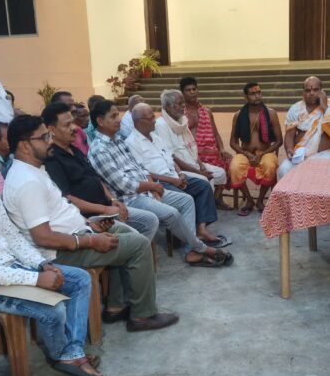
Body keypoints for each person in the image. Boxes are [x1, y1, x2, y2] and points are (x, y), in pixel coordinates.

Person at [0, 139, 104, 376]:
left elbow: (13, 237)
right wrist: (36, 279)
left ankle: (72, 351)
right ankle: (63, 356)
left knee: (80, 279)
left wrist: (41, 265)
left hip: (13, 268)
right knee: (53, 309)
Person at [3, 114, 179, 331]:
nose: (50, 141)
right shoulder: (27, 182)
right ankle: (142, 316)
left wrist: (89, 223)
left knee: (127, 234)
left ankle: (115, 307)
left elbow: (60, 211)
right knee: (139, 245)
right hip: (59, 252)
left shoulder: (35, 169)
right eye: (44, 137)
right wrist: (91, 241)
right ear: (24, 145)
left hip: (77, 233)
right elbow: (43, 237)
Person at [88, 99, 233, 267]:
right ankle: (201, 248)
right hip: (131, 199)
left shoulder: (118, 141)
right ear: (100, 121)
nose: (119, 119)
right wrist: (153, 186)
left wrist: (153, 187)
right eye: (113, 116)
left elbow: (140, 168)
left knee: (186, 200)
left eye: (117, 115)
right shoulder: (99, 150)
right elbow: (124, 185)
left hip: (147, 189)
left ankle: (191, 250)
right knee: (172, 213)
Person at [42, 102, 159, 240]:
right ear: (52, 129)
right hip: (90, 217)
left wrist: (112, 199)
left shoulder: (74, 149)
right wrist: (104, 209)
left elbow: (95, 178)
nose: (74, 128)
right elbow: (67, 198)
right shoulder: (52, 159)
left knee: (149, 220)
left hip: (107, 206)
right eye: (67, 125)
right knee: (140, 234)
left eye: (73, 122)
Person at [127, 103, 229, 247]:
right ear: (139, 122)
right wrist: (173, 180)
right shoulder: (131, 143)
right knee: (186, 198)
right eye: (150, 118)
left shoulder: (155, 137)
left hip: (174, 176)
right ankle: (189, 242)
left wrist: (180, 174)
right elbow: (144, 173)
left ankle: (201, 230)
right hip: (159, 182)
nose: (154, 120)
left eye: (153, 117)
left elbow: (171, 158)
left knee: (204, 186)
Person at [155, 89, 228, 191]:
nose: (183, 106)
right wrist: (199, 173)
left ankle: (211, 197)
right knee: (205, 180)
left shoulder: (182, 121)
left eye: (183, 103)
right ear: (168, 106)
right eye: (180, 103)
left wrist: (201, 165)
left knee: (220, 173)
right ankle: (206, 199)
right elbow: (172, 158)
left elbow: (191, 148)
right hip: (179, 170)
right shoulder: (161, 125)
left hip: (194, 164)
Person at [228, 82, 283, 215]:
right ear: (246, 96)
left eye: (259, 92)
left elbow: (279, 141)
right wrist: (247, 154)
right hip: (245, 153)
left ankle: (259, 201)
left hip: (265, 152)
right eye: (253, 94)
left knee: (270, 165)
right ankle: (249, 200)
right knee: (234, 167)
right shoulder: (238, 115)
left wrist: (261, 155)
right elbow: (233, 142)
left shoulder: (271, 113)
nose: (257, 96)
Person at [278, 76, 330, 179]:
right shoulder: (295, 109)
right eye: (307, 90)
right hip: (299, 156)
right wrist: (289, 149)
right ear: (303, 92)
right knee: (284, 169)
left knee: (324, 168)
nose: (311, 93)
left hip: (324, 155)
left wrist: (324, 107)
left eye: (315, 90)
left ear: (322, 91)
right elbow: (289, 135)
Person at [181, 77, 232, 209]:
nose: (192, 92)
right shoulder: (180, 114)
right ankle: (207, 199)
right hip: (192, 154)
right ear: (182, 93)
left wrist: (222, 149)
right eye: (188, 90)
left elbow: (216, 133)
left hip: (211, 152)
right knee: (210, 170)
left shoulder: (207, 111)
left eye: (194, 89)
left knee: (228, 163)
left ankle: (217, 198)